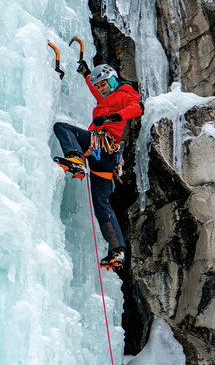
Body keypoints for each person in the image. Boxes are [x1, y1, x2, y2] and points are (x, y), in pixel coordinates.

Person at [53, 61, 142, 271]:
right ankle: (117, 250)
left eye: (103, 84)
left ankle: (74, 158)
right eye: (99, 86)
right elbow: (100, 97)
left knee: (63, 128)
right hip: (106, 159)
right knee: (101, 204)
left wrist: (113, 117)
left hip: (100, 146)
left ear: (112, 79)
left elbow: (136, 108)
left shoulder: (124, 92)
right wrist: (86, 76)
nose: (101, 88)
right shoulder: (108, 98)